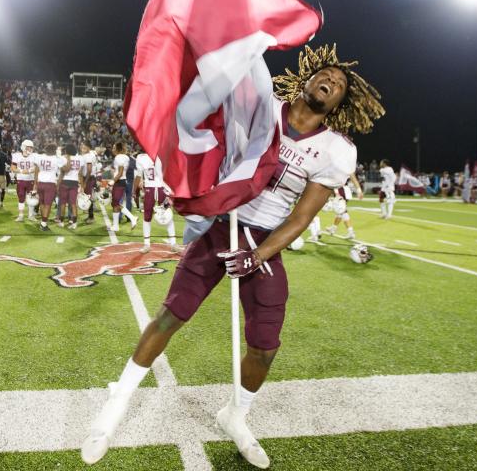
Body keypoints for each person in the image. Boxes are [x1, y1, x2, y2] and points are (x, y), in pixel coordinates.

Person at [82, 44, 384, 468]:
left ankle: (236, 415)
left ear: (340, 102)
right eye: (327, 74)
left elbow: (301, 217)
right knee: (172, 314)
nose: (331, 81)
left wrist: (257, 255)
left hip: (264, 240)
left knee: (265, 345)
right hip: (223, 224)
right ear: (308, 77)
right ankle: (117, 401)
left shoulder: (336, 149)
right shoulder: (261, 107)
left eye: (339, 84)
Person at [133, 151, 178, 252]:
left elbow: (172, 171)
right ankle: (146, 244)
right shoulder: (141, 157)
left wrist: (171, 189)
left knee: (167, 214)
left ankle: (173, 243)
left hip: (163, 189)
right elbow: (138, 176)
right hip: (150, 189)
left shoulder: (164, 152)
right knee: (147, 216)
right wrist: (134, 190)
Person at [33, 144, 67, 232]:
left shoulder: (39, 157)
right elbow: (64, 165)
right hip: (50, 183)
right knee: (48, 204)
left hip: (40, 182)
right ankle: (43, 224)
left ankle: (43, 221)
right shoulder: (56, 159)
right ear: (54, 150)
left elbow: (36, 170)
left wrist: (35, 182)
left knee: (42, 203)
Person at [322, 173, 363, 240]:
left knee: (342, 212)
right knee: (341, 212)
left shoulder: (339, 168)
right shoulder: (345, 167)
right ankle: (334, 228)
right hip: (343, 189)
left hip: (341, 189)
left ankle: (350, 232)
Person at [110, 141, 137, 232]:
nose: (112, 149)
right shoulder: (125, 157)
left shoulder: (119, 157)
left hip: (119, 182)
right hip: (121, 181)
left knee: (116, 203)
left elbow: (120, 172)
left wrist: (112, 181)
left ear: (118, 149)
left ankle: (132, 218)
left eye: (114, 148)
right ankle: (116, 225)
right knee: (115, 204)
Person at [11, 140, 37, 222]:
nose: (30, 149)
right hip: (21, 179)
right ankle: (21, 215)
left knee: (32, 198)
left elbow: (37, 168)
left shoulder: (34, 156)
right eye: (28, 147)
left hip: (31, 179)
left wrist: (29, 171)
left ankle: (31, 215)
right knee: (21, 197)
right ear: (23, 147)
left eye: (31, 147)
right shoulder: (17, 156)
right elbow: (12, 168)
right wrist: (21, 171)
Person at [59, 143, 83, 229]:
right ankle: (74, 223)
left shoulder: (63, 158)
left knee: (62, 203)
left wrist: (58, 184)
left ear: (66, 150)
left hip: (65, 181)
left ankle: (61, 222)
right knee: (73, 204)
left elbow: (62, 172)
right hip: (75, 182)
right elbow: (80, 173)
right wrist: (82, 186)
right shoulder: (80, 159)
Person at [79, 142, 97, 224]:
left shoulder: (88, 156)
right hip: (89, 177)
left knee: (88, 197)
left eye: (84, 147)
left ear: (89, 148)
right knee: (88, 197)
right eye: (82, 146)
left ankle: (91, 217)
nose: (82, 148)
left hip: (88, 178)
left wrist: (85, 181)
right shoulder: (90, 154)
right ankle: (90, 216)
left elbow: (89, 170)